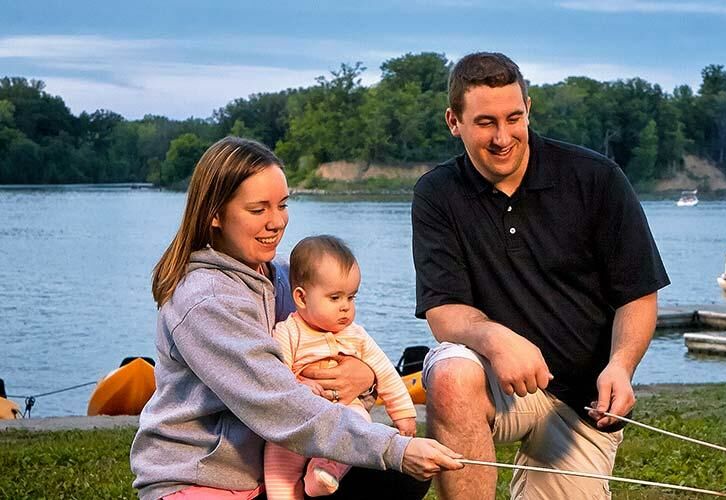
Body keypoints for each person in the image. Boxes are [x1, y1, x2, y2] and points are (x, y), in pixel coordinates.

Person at [131, 136, 462, 500]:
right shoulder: (205, 301)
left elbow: (340, 344)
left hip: (274, 467)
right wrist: (392, 447)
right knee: (392, 460)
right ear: (215, 214)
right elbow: (279, 403)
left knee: (399, 479)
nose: (276, 222)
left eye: (282, 205)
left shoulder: (289, 280)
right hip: (201, 478)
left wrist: (365, 377)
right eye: (258, 210)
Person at [412, 53, 670, 499]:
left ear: (529, 108)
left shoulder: (596, 178)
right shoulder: (437, 194)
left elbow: (638, 295)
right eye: (485, 122)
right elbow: (444, 311)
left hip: (581, 401)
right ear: (454, 121)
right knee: (451, 374)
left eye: (514, 118)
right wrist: (497, 340)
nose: (502, 137)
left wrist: (621, 365)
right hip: (495, 377)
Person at [264, 235, 419, 499]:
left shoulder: (356, 335)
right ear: (301, 298)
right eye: (335, 298)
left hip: (345, 411)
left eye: (351, 297)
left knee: (358, 425)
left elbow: (385, 372)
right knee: (279, 460)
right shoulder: (288, 332)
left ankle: (325, 471)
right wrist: (300, 384)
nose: (346, 307)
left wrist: (403, 414)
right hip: (297, 419)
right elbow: (276, 374)